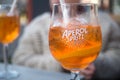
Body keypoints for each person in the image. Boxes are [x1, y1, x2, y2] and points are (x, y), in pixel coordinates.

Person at [12, 0, 120, 80]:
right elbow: (19, 59)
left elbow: (117, 58)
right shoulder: (36, 25)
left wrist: (94, 64)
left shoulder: (104, 22)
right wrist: (61, 64)